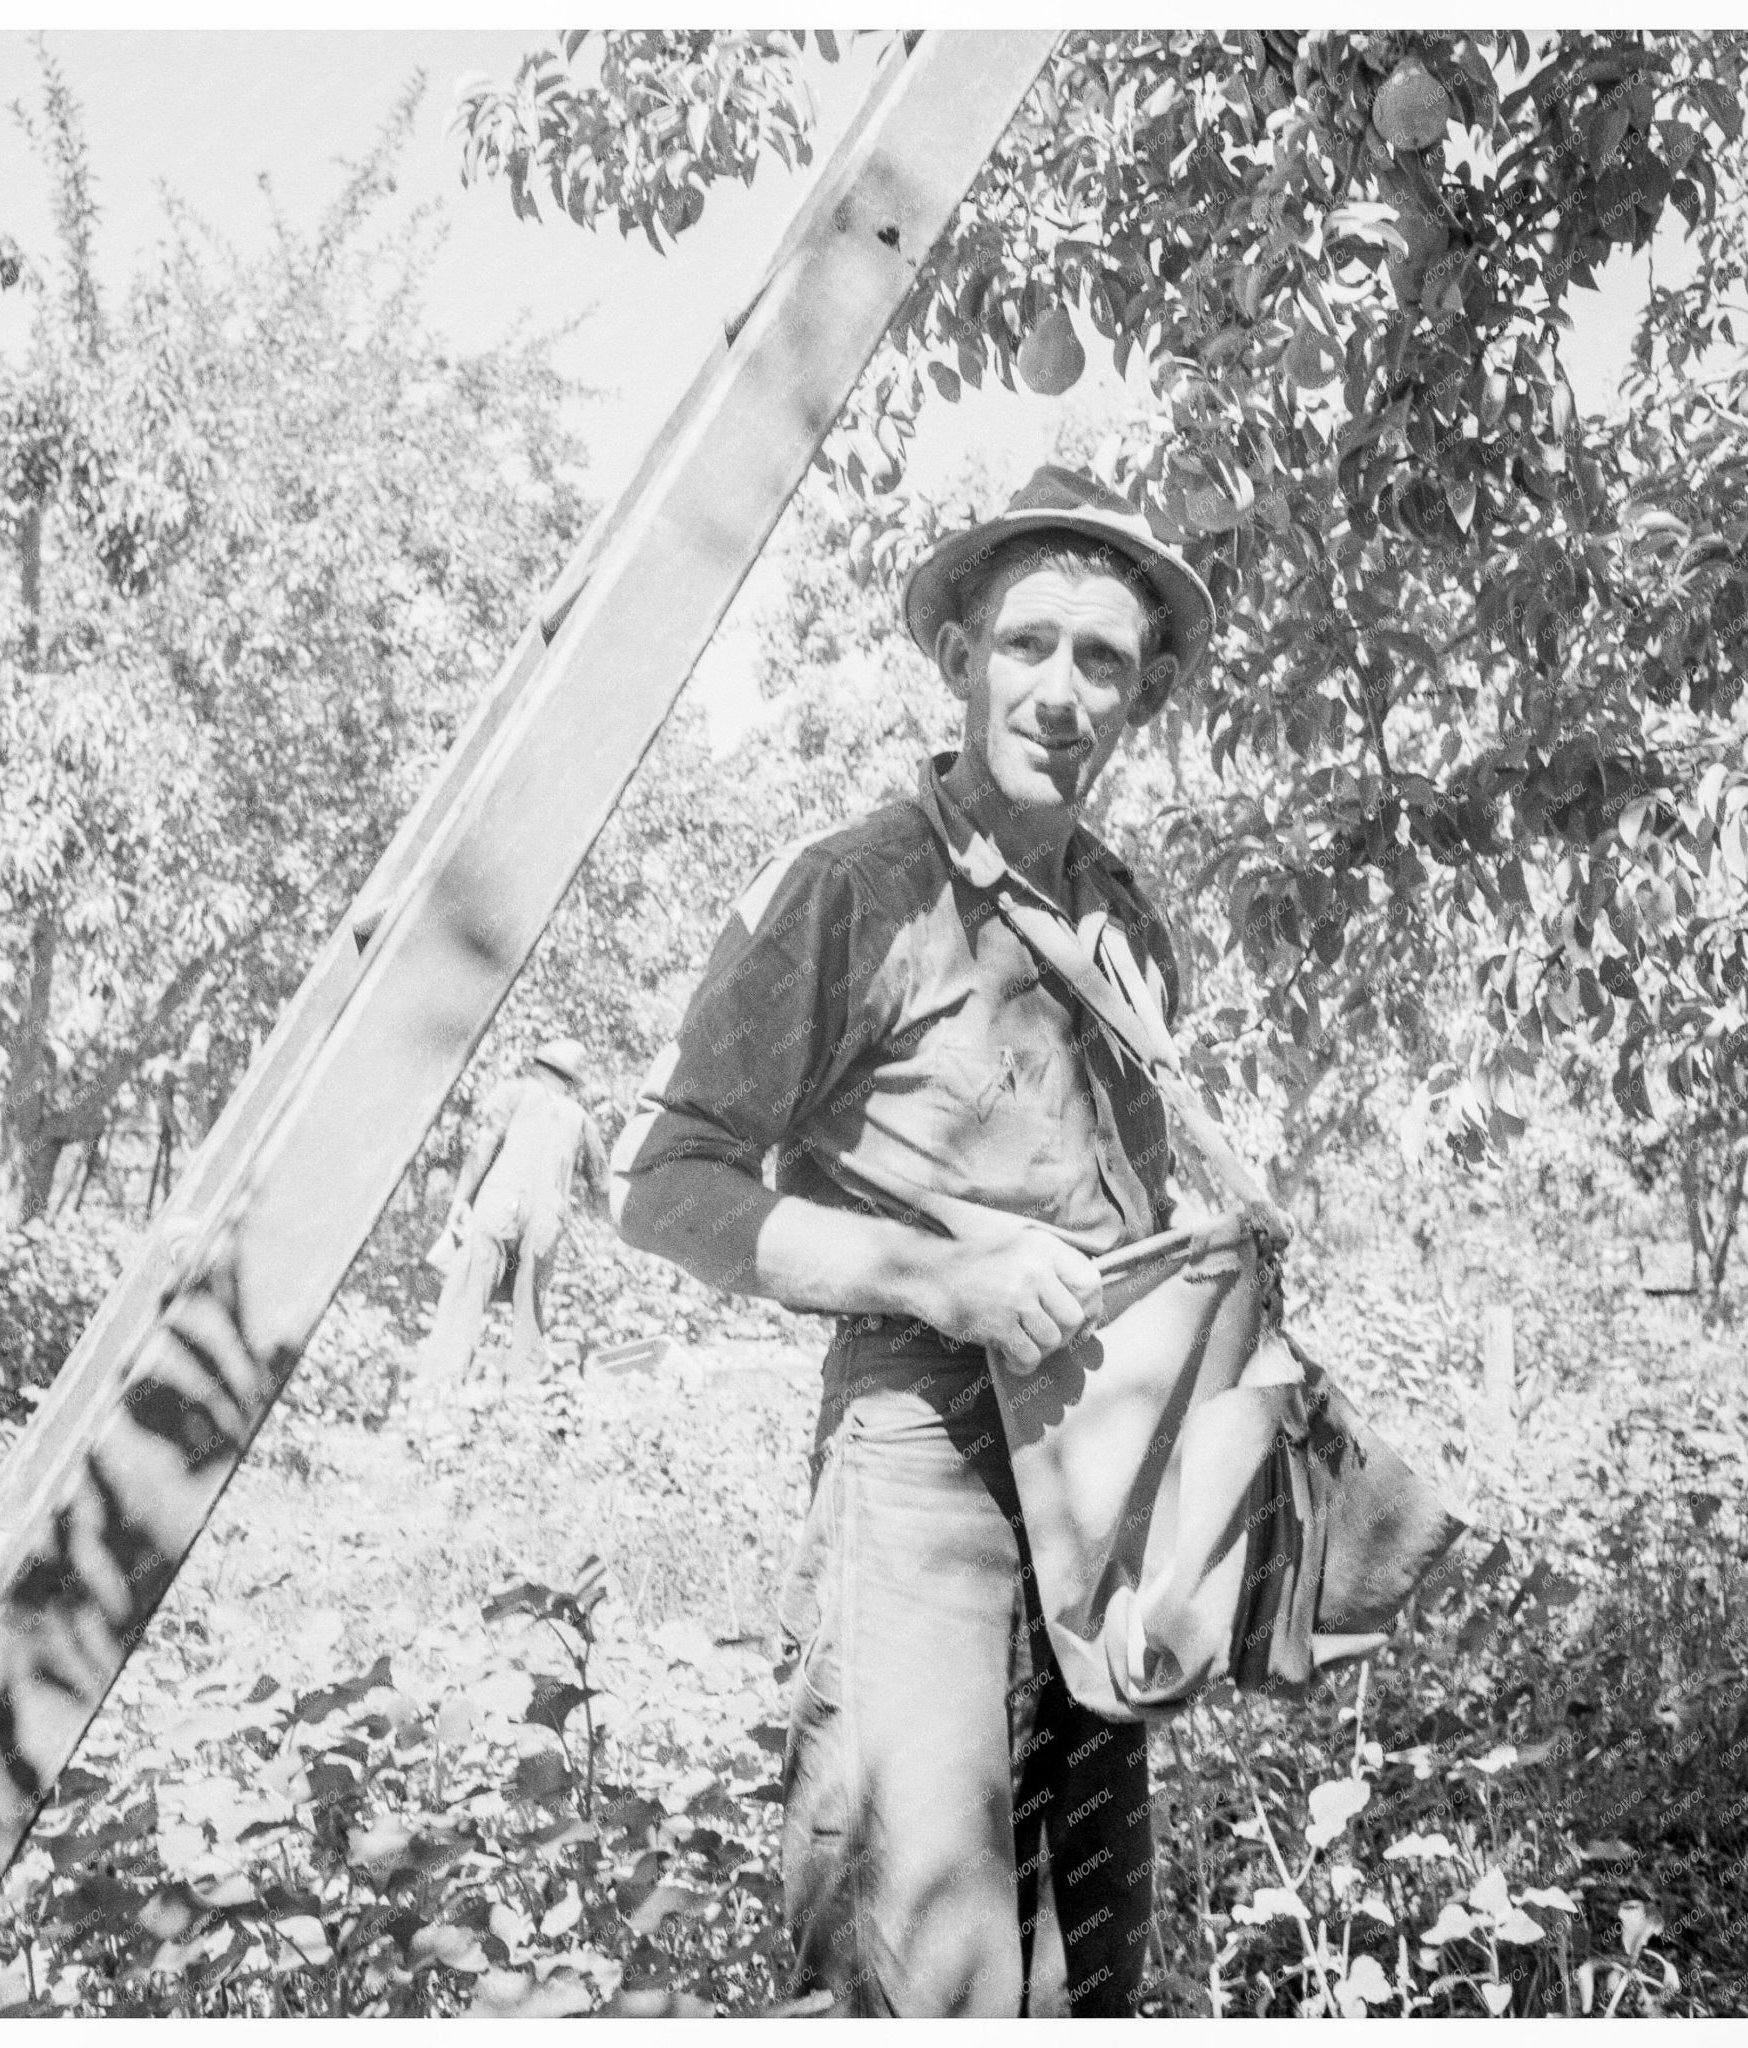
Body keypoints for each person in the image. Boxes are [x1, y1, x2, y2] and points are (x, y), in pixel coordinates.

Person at [610, 465, 1217, 2017]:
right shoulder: (853, 891)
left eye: (1105, 665)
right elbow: (667, 1182)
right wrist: (938, 1275)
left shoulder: (1126, 924)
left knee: (1089, 1944)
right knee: (920, 1935)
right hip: (924, 1452)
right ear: (956, 658)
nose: (1064, 692)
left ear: (1137, 699)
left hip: (1096, 1467)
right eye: (1028, 646)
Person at [412, 1036, 609, 1408]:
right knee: (530, 1305)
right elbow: (601, 1182)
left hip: (499, 1205)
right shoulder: (580, 1118)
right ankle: (524, 1389)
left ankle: (438, 1388)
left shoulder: (514, 1092)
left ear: (538, 1067)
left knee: (466, 1292)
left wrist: (460, 1201)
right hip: (546, 1221)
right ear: (570, 1082)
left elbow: (483, 1146)